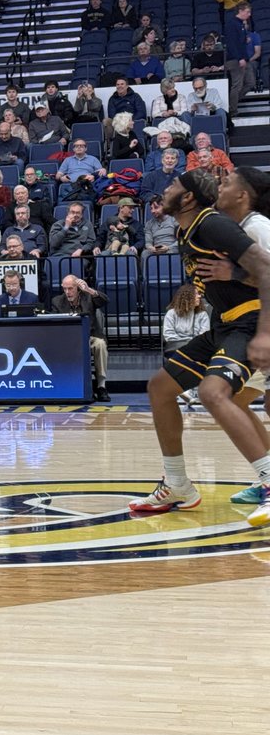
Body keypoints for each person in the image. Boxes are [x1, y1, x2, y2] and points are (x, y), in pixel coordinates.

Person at [127, 170, 270, 526]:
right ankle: (177, 484)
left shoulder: (212, 225)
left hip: (249, 322)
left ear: (188, 197)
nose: (166, 189)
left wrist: (264, 332)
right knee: (160, 387)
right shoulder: (184, 229)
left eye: (174, 185)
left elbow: (267, 270)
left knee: (213, 392)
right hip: (223, 324)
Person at [200, 167, 270, 503]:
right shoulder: (236, 229)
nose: (219, 186)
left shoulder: (258, 227)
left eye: (226, 183)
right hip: (255, 328)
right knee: (239, 401)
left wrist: (235, 273)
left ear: (242, 195)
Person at [52, 275, 111, 401]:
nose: (68, 292)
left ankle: (101, 386)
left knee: (100, 344)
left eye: (71, 289)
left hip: (90, 336)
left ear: (78, 288)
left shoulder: (88, 296)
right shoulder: (57, 301)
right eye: (65, 289)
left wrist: (89, 290)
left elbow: (105, 301)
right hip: (67, 339)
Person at [163, 285, 209, 354]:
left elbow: (204, 335)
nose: (199, 296)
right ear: (187, 298)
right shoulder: (171, 313)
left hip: (196, 347)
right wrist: (184, 343)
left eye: (199, 294)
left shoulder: (202, 314)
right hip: (176, 347)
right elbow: (168, 334)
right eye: (196, 294)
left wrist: (191, 344)